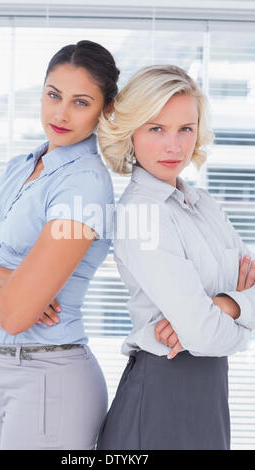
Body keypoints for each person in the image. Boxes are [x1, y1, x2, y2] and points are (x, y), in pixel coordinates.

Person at [0, 40, 119, 450]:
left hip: (49, 380)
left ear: (106, 110)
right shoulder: (20, 166)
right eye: (53, 95)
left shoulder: (84, 184)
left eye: (81, 102)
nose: (60, 113)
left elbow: (15, 317)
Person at [96, 64, 255, 450]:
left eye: (186, 128)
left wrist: (224, 305)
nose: (175, 146)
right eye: (156, 128)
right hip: (161, 396)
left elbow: (205, 326)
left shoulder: (202, 204)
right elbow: (201, 333)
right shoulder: (140, 214)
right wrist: (234, 307)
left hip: (209, 395)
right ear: (131, 132)